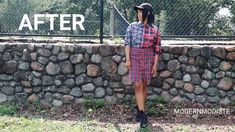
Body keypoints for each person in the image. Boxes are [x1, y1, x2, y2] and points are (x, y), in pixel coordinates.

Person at [124, 3, 162, 128]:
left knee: (144, 84)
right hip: (134, 56)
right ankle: (142, 114)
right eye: (138, 12)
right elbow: (127, 43)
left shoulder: (155, 30)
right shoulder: (132, 27)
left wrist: (155, 65)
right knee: (138, 84)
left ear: (147, 14)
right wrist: (128, 59)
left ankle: (139, 108)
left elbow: (157, 49)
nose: (138, 14)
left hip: (148, 57)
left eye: (140, 12)